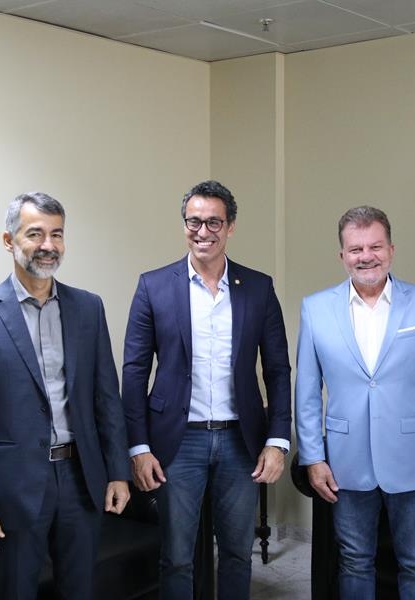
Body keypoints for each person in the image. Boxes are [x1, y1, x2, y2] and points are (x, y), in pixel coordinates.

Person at [0, 192, 131, 600]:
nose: (48, 245)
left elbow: (106, 398)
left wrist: (118, 471)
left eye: (56, 234)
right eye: (35, 234)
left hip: (81, 479)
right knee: (15, 591)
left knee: (79, 590)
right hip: (14, 487)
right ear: (9, 240)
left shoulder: (88, 308)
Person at [121, 180, 291, 600]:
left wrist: (277, 441)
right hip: (177, 443)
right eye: (193, 221)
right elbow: (134, 372)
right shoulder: (153, 286)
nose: (203, 231)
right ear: (184, 225)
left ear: (230, 226)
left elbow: (277, 370)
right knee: (177, 557)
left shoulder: (258, 287)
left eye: (214, 222)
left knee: (236, 553)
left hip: (240, 441)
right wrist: (138, 447)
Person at [295, 205, 415, 599]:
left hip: (413, 460)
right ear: (342, 255)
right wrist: (313, 458)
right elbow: (306, 394)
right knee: (354, 561)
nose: (366, 256)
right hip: (346, 461)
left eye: (375, 246)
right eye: (356, 249)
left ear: (391, 250)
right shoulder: (315, 309)